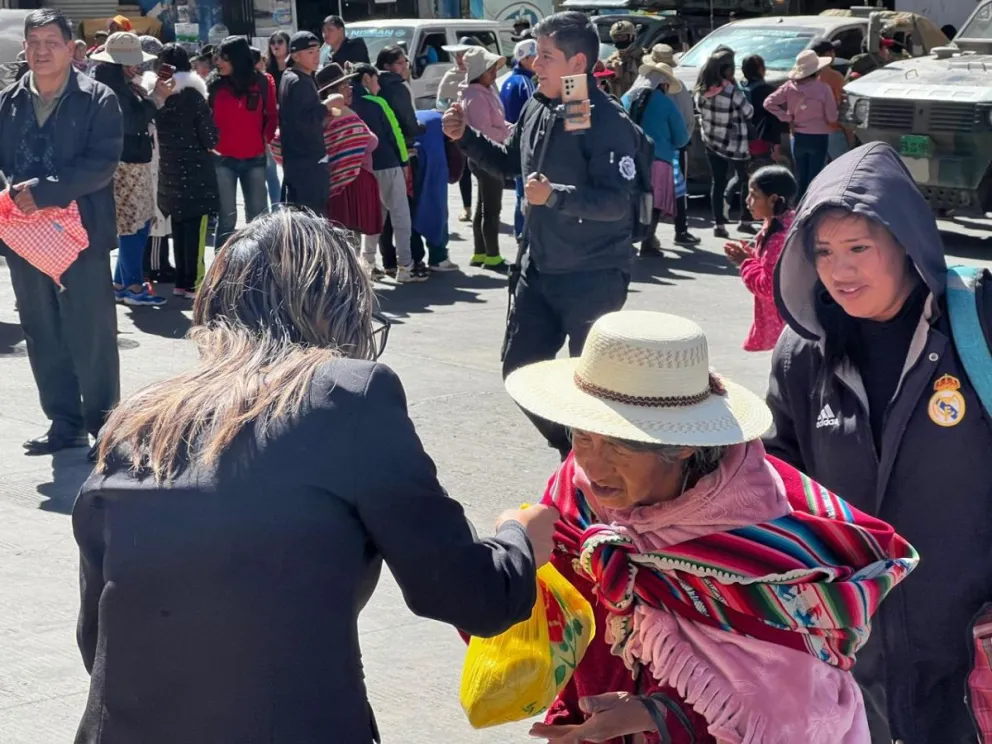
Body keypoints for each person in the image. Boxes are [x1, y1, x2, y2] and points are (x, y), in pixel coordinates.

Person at [73, 209, 559, 744]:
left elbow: (97, 632)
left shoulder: (140, 417)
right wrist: (520, 540)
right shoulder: (347, 394)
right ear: (339, 306)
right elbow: (467, 594)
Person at [503, 310, 917, 744]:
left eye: (619, 445)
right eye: (582, 436)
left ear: (681, 444)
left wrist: (661, 715)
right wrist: (515, 551)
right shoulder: (579, 492)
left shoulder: (766, 543)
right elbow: (545, 624)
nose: (591, 463)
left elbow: (799, 706)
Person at [766, 141, 992, 744]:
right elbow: (777, 482)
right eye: (823, 252)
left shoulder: (978, 327)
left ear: (907, 245)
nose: (841, 271)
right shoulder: (801, 358)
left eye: (859, 248)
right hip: (855, 649)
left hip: (971, 645)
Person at [442, 11, 641, 458]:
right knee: (520, 372)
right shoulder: (537, 104)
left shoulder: (606, 119)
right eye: (536, 54)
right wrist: (466, 138)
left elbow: (615, 203)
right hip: (538, 269)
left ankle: (598, 471)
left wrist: (556, 196)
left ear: (578, 63)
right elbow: (512, 164)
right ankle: (577, 453)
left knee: (592, 386)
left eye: (546, 56)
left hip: (594, 274)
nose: (535, 65)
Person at [0, 8, 123, 456]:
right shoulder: (8, 102)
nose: (41, 50)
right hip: (23, 239)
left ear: (72, 48)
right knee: (41, 329)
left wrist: (49, 191)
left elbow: (103, 162)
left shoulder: (98, 98)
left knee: (92, 330)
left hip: (80, 235)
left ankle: (106, 428)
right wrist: (10, 194)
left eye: (52, 41)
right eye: (34, 42)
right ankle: (63, 421)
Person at [92, 32, 170, 307]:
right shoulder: (115, 90)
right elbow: (132, 124)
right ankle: (133, 286)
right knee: (134, 227)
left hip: (128, 162)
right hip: (126, 165)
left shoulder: (117, 85)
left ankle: (120, 283)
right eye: (132, 61)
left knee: (134, 225)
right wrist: (156, 100)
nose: (138, 66)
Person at [152, 43, 219, 299]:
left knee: (179, 228)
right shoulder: (194, 96)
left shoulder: (158, 96)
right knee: (197, 230)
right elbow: (210, 138)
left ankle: (181, 281)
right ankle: (195, 284)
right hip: (196, 177)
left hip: (169, 177)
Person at [351, 63, 424, 284]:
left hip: (364, 170)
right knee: (401, 217)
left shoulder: (348, 104)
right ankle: (405, 266)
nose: (378, 87)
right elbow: (396, 134)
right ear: (365, 79)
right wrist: (404, 162)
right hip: (388, 165)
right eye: (375, 81)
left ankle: (368, 265)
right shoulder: (377, 103)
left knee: (373, 220)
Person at [206, 36, 276, 248]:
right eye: (217, 58)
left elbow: (272, 115)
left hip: (255, 157)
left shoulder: (262, 82)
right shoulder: (213, 85)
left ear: (237, 59)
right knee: (226, 219)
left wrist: (266, 138)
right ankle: (223, 270)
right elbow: (205, 119)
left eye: (223, 58)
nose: (217, 62)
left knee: (258, 217)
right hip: (222, 159)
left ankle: (261, 265)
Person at [723, 165, 797, 351]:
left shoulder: (779, 236)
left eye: (754, 195)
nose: (748, 201)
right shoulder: (778, 223)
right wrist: (752, 259)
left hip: (789, 325)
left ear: (772, 199)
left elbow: (768, 287)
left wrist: (745, 262)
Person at [623, 55, 688, 257]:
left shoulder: (627, 98)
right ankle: (648, 241)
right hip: (659, 160)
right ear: (664, 84)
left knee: (630, 200)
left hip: (628, 159)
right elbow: (681, 138)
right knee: (654, 203)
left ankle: (627, 240)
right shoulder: (666, 104)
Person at [460, 46, 511, 272]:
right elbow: (484, 130)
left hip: (484, 154)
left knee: (484, 205)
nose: (494, 72)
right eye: (489, 68)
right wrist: (509, 134)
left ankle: (481, 252)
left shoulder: (484, 91)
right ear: (479, 71)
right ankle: (492, 255)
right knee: (491, 208)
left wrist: (512, 129)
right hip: (487, 155)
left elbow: (497, 124)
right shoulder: (475, 95)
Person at [763, 49, 838, 200]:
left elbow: (768, 103)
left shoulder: (789, 86)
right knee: (815, 176)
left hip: (797, 136)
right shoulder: (824, 89)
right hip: (818, 138)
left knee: (801, 176)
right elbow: (832, 117)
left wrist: (785, 117)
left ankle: (798, 205)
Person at [694, 47, 752, 238]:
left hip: (711, 141)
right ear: (726, 69)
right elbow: (748, 111)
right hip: (735, 143)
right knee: (744, 179)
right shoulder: (730, 90)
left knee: (717, 182)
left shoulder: (700, 90)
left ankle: (719, 224)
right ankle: (745, 220)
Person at [643, 43, 697, 246]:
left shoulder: (640, 89)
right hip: (667, 149)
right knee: (675, 190)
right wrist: (680, 142)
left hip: (640, 149)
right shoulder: (671, 94)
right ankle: (679, 230)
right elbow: (686, 120)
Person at [277, 31, 330, 216]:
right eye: (310, 52)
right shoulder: (299, 81)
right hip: (307, 161)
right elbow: (305, 120)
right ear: (295, 56)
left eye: (317, 50)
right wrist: (328, 106)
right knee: (311, 218)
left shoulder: (290, 76)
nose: (316, 56)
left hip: (296, 161)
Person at [437, 36, 479, 222]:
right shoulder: (451, 75)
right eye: (458, 55)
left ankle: (485, 207)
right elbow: (439, 101)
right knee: (464, 170)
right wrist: (450, 107)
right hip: (458, 131)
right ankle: (467, 207)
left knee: (485, 168)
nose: (460, 59)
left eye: (463, 54)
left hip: (480, 129)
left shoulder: (480, 74)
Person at [501, 38, 537, 241]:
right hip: (524, 143)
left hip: (511, 141)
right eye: (535, 56)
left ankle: (519, 230)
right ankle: (525, 232)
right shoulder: (526, 83)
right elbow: (533, 116)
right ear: (525, 59)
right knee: (527, 190)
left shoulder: (507, 81)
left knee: (520, 191)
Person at [810, 38, 850, 164]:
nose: (834, 55)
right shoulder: (835, 77)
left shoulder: (804, 77)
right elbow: (843, 107)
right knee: (843, 169)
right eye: (832, 51)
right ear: (827, 55)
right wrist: (850, 135)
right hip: (831, 131)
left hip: (809, 132)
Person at [264, 31, 290, 206]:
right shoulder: (268, 72)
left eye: (280, 41)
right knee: (270, 170)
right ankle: (276, 210)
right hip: (272, 125)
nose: (276, 45)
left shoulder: (295, 70)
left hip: (291, 124)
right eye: (272, 42)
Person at [603, 19, 642, 98]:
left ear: (632, 37)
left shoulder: (643, 58)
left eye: (623, 37)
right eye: (616, 37)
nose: (619, 40)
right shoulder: (610, 61)